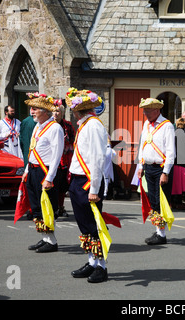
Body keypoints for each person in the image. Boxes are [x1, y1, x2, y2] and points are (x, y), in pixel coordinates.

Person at [66, 88, 109, 283]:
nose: (72, 112)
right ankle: (92, 261)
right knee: (84, 225)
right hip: (78, 180)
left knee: (93, 226)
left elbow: (98, 158)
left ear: (78, 111)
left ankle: (102, 266)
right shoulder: (85, 125)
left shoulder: (93, 126)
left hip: (87, 182)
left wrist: (94, 188)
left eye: (73, 108)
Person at [22, 92, 64, 253]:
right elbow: (32, 150)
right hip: (33, 170)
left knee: (47, 206)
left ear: (45, 111)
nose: (32, 111)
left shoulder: (55, 128)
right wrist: (27, 170)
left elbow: (57, 155)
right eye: (32, 109)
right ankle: (44, 237)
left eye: (35, 109)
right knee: (36, 207)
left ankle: (52, 241)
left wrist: (49, 177)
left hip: (45, 171)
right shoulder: (37, 127)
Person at [137, 98, 175, 245]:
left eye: (147, 110)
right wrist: (140, 166)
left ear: (156, 110)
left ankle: (161, 234)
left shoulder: (167, 126)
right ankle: (159, 231)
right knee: (152, 200)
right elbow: (143, 146)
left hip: (160, 169)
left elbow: (171, 151)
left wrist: (166, 172)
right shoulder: (147, 124)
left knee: (161, 201)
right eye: (144, 110)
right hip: (148, 167)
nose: (145, 113)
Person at [52, 104, 75, 217]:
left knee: (62, 186)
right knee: (53, 186)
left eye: (57, 111)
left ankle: (61, 207)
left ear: (62, 113)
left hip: (64, 160)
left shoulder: (68, 125)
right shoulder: (49, 125)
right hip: (52, 160)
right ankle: (53, 207)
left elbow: (72, 141)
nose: (55, 114)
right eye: (54, 111)